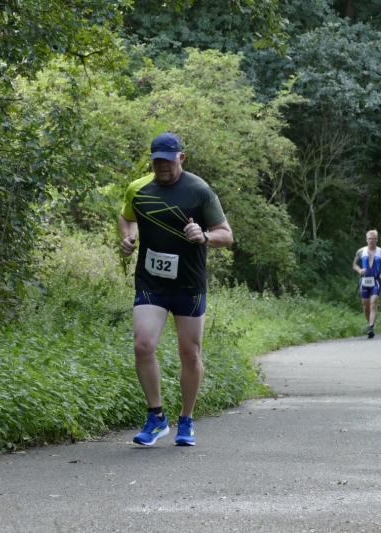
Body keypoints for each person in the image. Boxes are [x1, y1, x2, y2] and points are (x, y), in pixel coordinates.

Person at [118, 132, 233, 446]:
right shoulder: (139, 189)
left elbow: (226, 234)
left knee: (190, 353)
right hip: (151, 281)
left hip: (188, 284)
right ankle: (156, 417)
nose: (162, 167)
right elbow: (127, 218)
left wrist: (204, 236)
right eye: (157, 161)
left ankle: (186, 419)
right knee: (143, 345)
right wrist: (128, 238)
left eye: (168, 161)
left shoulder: (199, 191)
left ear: (181, 158)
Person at [352, 229, 381, 338]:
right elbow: (354, 265)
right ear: (366, 239)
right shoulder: (361, 251)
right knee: (365, 305)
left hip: (376, 280)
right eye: (369, 239)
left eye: (373, 239)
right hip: (364, 280)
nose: (371, 241)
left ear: (376, 240)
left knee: (373, 302)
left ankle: (371, 326)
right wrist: (359, 270)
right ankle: (370, 324)